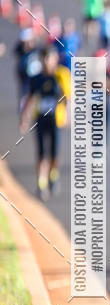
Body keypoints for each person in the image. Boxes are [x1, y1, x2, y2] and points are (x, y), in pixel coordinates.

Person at [20, 47, 70, 199]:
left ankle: (53, 176)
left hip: (56, 119)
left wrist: (68, 114)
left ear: (55, 59)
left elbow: (69, 96)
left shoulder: (61, 75)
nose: (47, 62)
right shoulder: (36, 78)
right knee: (41, 151)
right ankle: (41, 184)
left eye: (49, 58)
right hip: (41, 118)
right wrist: (24, 117)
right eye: (44, 59)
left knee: (54, 152)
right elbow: (29, 97)